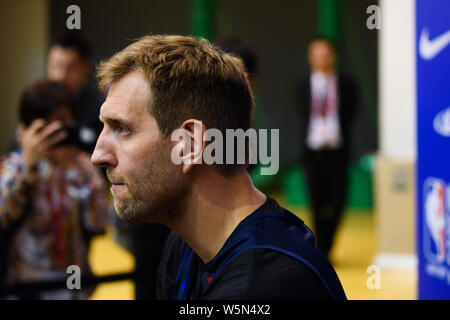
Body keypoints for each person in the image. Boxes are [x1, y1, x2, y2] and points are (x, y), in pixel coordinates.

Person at [91, 35, 346, 300]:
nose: (98, 155)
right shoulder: (185, 245)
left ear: (190, 143)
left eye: (122, 129)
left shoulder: (262, 286)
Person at [0, 80, 111, 299]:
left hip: (73, 281)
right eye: (45, 126)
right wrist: (27, 167)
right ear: (27, 129)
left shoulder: (82, 166)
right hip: (27, 286)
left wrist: (77, 174)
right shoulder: (12, 167)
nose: (56, 133)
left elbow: (99, 222)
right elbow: (3, 215)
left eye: (62, 122)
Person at [297, 36, 357, 258]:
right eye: (317, 53)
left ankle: (328, 243)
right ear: (310, 57)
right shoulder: (303, 85)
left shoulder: (346, 83)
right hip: (313, 150)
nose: (321, 58)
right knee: (316, 200)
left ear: (333, 56)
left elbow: (351, 113)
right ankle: (322, 249)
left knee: (338, 200)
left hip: (338, 151)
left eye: (325, 53)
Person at [46, 30, 104, 153]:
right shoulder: (37, 103)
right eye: (55, 66)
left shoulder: (100, 108)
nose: (60, 76)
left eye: (70, 68)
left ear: (86, 67)